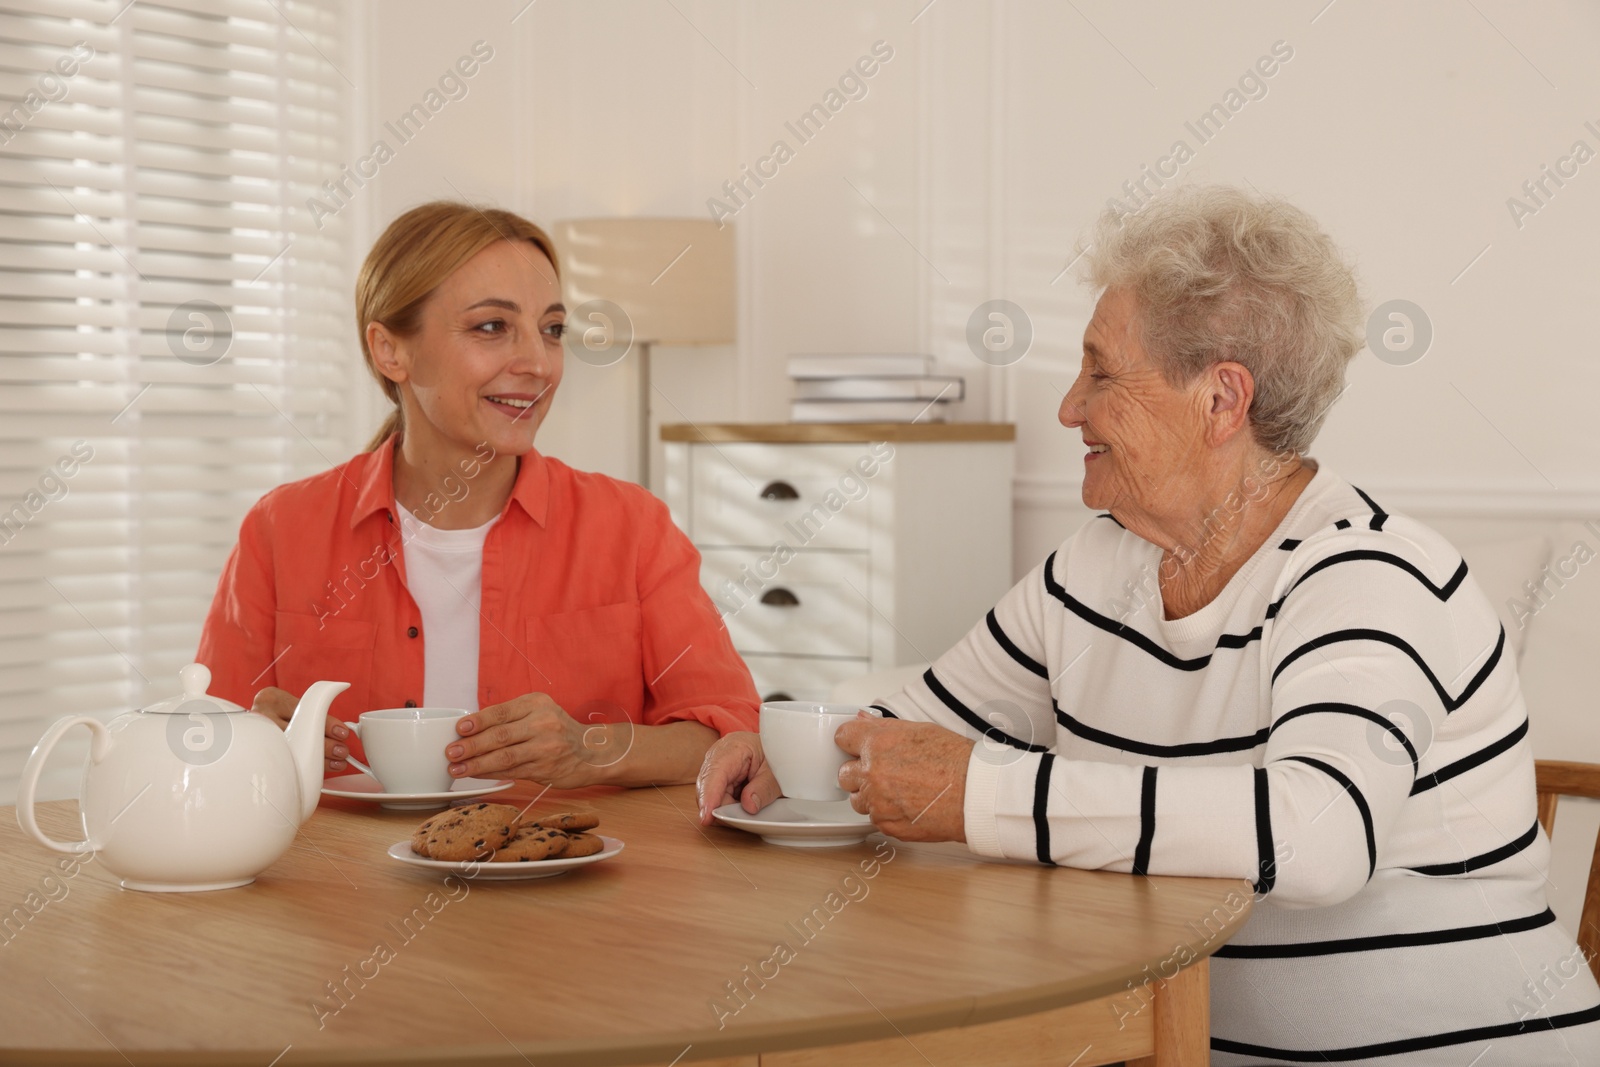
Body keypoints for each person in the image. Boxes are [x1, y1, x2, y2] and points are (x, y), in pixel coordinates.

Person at [698, 186, 1600, 1063]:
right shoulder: (1098, 569)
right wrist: (797, 756)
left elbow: (1320, 837)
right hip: (1170, 1048)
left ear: (1220, 401)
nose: (1067, 406)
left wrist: (985, 794)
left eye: (1100, 371)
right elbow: (914, 737)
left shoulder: (1368, 574)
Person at [199, 201, 758, 788]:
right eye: (492, 327)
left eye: (552, 331)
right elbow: (204, 740)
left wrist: (589, 749)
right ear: (391, 351)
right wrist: (252, 738)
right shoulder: (280, 530)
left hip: (564, 876)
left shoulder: (632, 528)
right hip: (343, 877)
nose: (538, 364)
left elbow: (732, 737)